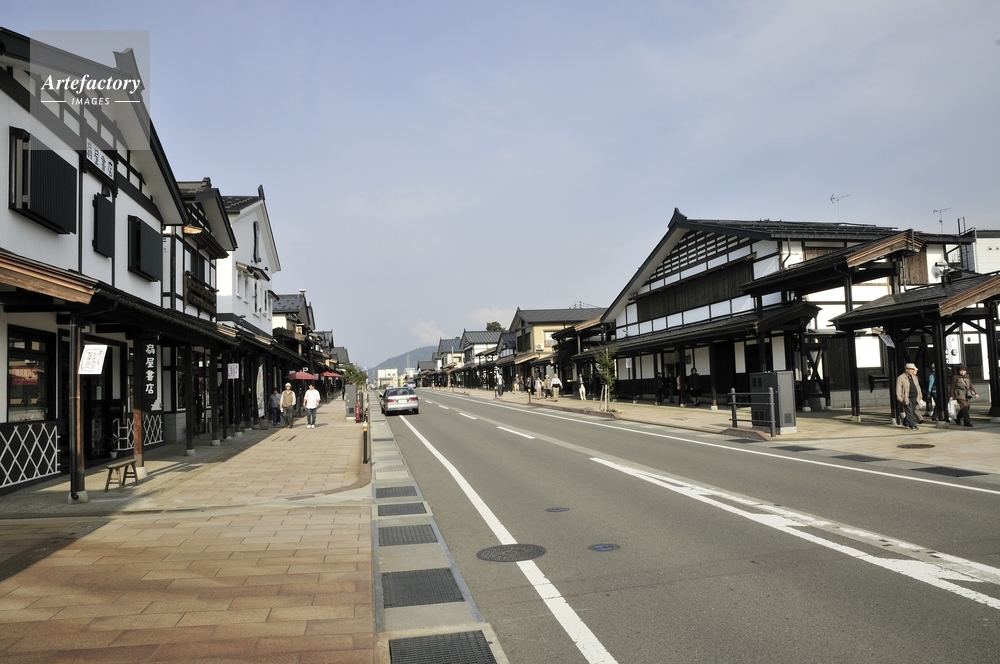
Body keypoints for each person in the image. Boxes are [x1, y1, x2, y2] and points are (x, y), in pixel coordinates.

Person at [895, 363, 922, 430]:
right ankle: (912, 425)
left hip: (915, 397)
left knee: (912, 411)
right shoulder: (900, 378)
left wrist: (920, 394)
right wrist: (899, 397)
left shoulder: (914, 377)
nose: (913, 371)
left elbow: (918, 386)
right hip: (907, 397)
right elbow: (898, 388)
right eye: (912, 369)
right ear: (907, 369)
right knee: (909, 411)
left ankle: (905, 422)